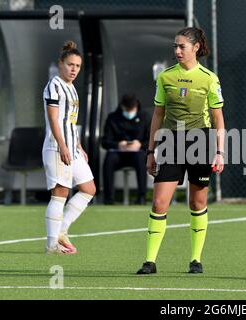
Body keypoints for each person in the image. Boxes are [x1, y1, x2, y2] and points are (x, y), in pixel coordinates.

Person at [136, 26, 225, 274]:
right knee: (159, 203)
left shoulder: (209, 78)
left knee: (197, 202)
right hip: (171, 142)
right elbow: (157, 115)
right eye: (175, 46)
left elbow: (218, 118)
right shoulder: (165, 77)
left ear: (195, 47)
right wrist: (151, 151)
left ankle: (196, 260)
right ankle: (149, 261)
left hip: (201, 142)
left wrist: (219, 152)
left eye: (181, 46)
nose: (177, 50)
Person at [42, 41, 96, 254]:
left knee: (89, 189)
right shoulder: (54, 85)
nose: (74, 69)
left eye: (77, 66)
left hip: (72, 148)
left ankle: (62, 230)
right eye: (70, 64)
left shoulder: (72, 88)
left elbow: (70, 122)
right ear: (60, 64)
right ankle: (51, 244)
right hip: (57, 148)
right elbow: (54, 119)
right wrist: (63, 146)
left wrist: (78, 146)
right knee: (60, 193)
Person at [101, 94, 150, 205]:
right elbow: (105, 142)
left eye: (131, 109)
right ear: (122, 107)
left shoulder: (145, 117)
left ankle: (141, 197)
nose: (129, 112)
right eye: (127, 109)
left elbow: (152, 140)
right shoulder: (112, 118)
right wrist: (118, 145)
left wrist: (140, 145)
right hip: (118, 154)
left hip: (137, 154)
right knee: (109, 159)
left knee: (141, 158)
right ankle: (108, 198)